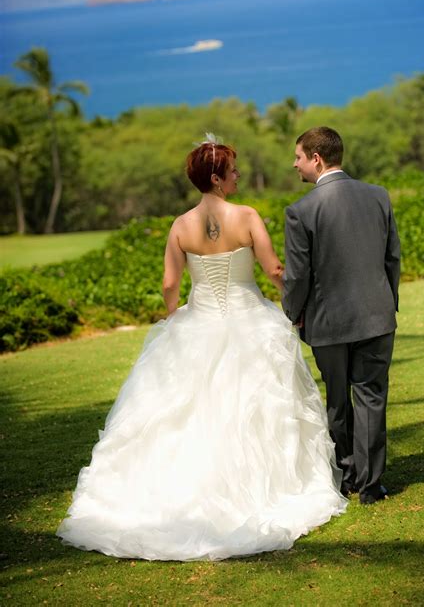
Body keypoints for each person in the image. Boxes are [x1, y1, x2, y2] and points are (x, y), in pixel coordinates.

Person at [56, 137, 347, 562]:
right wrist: (295, 305)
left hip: (199, 322)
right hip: (251, 321)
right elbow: (273, 269)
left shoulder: (180, 226)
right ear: (216, 178)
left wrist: (174, 316)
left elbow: (170, 283)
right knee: (256, 406)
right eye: (233, 170)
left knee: (188, 410)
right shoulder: (246, 216)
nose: (239, 175)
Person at [282, 127, 400, 505]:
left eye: (298, 157)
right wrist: (388, 301)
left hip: (328, 322)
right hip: (376, 316)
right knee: (371, 396)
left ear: (317, 159)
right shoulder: (378, 196)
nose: (295, 164)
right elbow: (392, 258)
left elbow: (298, 276)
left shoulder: (301, 211)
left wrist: (292, 314)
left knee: (337, 399)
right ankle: (371, 485)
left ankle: (348, 473)